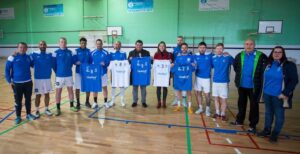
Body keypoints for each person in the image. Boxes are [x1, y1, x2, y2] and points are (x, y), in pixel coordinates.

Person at [257, 46, 298, 143]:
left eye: (280, 52)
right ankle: (267, 130)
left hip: (279, 96)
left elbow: (294, 80)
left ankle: (275, 133)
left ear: (283, 54)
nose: (277, 54)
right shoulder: (268, 64)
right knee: (268, 113)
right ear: (272, 53)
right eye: (275, 52)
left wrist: (285, 93)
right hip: (267, 94)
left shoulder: (289, 65)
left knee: (279, 116)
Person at [231, 39, 267, 133]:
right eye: (247, 44)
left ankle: (252, 125)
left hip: (254, 86)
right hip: (242, 85)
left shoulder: (261, 56)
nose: (249, 46)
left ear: (254, 45)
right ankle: (239, 121)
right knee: (241, 104)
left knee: (254, 106)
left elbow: (265, 70)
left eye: (251, 44)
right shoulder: (240, 55)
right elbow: (235, 67)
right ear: (244, 45)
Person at [5, 42, 36, 124]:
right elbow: (7, 69)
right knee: (18, 101)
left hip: (28, 82)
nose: (22, 49)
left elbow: (33, 65)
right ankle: (18, 117)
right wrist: (9, 80)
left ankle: (28, 114)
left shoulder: (29, 57)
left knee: (28, 100)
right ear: (18, 48)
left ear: (26, 48)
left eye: (24, 47)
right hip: (17, 83)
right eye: (20, 47)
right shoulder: (12, 57)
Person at [52, 37, 77, 116]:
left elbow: (73, 62)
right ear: (59, 43)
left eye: (64, 42)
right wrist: (58, 72)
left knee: (70, 90)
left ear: (66, 43)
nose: (63, 43)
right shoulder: (55, 52)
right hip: (59, 76)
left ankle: (72, 106)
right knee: (58, 92)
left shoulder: (70, 52)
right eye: (61, 42)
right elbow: (53, 64)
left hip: (68, 75)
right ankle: (58, 108)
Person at [30, 41, 54, 118]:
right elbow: (27, 61)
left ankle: (46, 109)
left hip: (47, 78)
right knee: (38, 95)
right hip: (38, 79)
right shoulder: (34, 54)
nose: (42, 46)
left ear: (46, 46)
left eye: (44, 44)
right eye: (41, 44)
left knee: (47, 94)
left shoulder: (49, 55)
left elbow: (55, 63)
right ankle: (37, 110)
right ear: (38, 46)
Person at [211, 43, 234, 121]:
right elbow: (210, 66)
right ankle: (217, 112)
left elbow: (235, 63)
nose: (219, 50)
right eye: (217, 48)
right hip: (215, 81)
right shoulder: (213, 58)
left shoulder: (227, 58)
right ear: (215, 49)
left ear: (223, 49)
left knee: (223, 99)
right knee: (216, 98)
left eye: (221, 48)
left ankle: (223, 113)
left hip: (224, 82)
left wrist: (230, 55)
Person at [172, 43, 195, 114]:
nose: (184, 49)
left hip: (187, 78)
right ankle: (178, 106)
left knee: (189, 92)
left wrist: (193, 65)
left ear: (187, 48)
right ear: (181, 49)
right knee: (179, 91)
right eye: (182, 48)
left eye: (185, 48)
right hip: (179, 77)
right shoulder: (178, 57)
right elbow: (174, 67)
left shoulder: (191, 57)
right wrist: (172, 66)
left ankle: (189, 107)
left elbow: (194, 67)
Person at [128, 40, 151, 108]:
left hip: (143, 74)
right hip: (135, 74)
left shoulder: (146, 53)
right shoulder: (131, 52)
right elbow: (128, 62)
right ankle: (135, 101)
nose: (139, 46)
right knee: (135, 88)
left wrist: (151, 59)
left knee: (143, 88)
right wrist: (129, 59)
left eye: (140, 45)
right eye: (137, 45)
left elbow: (150, 62)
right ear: (135, 45)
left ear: (142, 45)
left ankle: (143, 101)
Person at [193, 42, 213, 116]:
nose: (202, 49)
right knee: (198, 93)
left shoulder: (210, 55)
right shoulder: (195, 56)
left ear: (205, 48)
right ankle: (200, 107)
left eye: (203, 47)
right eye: (200, 47)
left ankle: (208, 109)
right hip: (198, 77)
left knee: (207, 94)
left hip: (206, 79)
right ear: (198, 48)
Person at [107, 41, 128, 108]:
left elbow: (125, 63)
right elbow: (109, 63)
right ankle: (112, 101)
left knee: (122, 87)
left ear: (120, 45)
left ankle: (122, 101)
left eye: (119, 44)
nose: (117, 45)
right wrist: (109, 72)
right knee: (113, 87)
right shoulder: (111, 53)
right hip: (113, 74)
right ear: (114, 45)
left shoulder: (124, 53)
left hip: (121, 73)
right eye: (116, 44)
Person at [90, 39, 110, 109]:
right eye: (97, 44)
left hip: (103, 73)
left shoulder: (106, 53)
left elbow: (108, 62)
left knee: (104, 87)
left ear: (102, 44)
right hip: (95, 74)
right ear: (96, 44)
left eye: (100, 44)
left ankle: (105, 102)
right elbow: (90, 63)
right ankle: (95, 102)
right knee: (95, 88)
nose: (99, 45)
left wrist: (105, 64)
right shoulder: (92, 53)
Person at [153, 41, 173, 108]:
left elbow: (172, 63)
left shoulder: (169, 54)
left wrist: (170, 62)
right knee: (158, 88)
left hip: (165, 74)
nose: (162, 47)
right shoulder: (156, 54)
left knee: (165, 88)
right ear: (158, 47)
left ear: (165, 47)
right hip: (158, 74)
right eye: (160, 46)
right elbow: (154, 65)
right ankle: (159, 102)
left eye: (163, 46)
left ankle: (164, 102)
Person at [74, 37, 91, 109]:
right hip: (78, 72)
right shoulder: (76, 51)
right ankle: (78, 103)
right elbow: (73, 60)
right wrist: (76, 62)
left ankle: (87, 101)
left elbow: (91, 61)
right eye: (82, 43)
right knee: (77, 88)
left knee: (88, 87)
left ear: (86, 43)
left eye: (84, 43)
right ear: (80, 43)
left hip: (87, 72)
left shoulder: (89, 51)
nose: (83, 44)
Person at [171, 36, 184, 106]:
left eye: (181, 40)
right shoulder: (174, 50)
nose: (179, 41)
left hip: (184, 71)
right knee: (175, 85)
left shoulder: (186, 49)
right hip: (176, 71)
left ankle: (184, 100)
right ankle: (176, 99)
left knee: (184, 84)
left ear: (183, 41)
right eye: (178, 40)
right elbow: (172, 60)